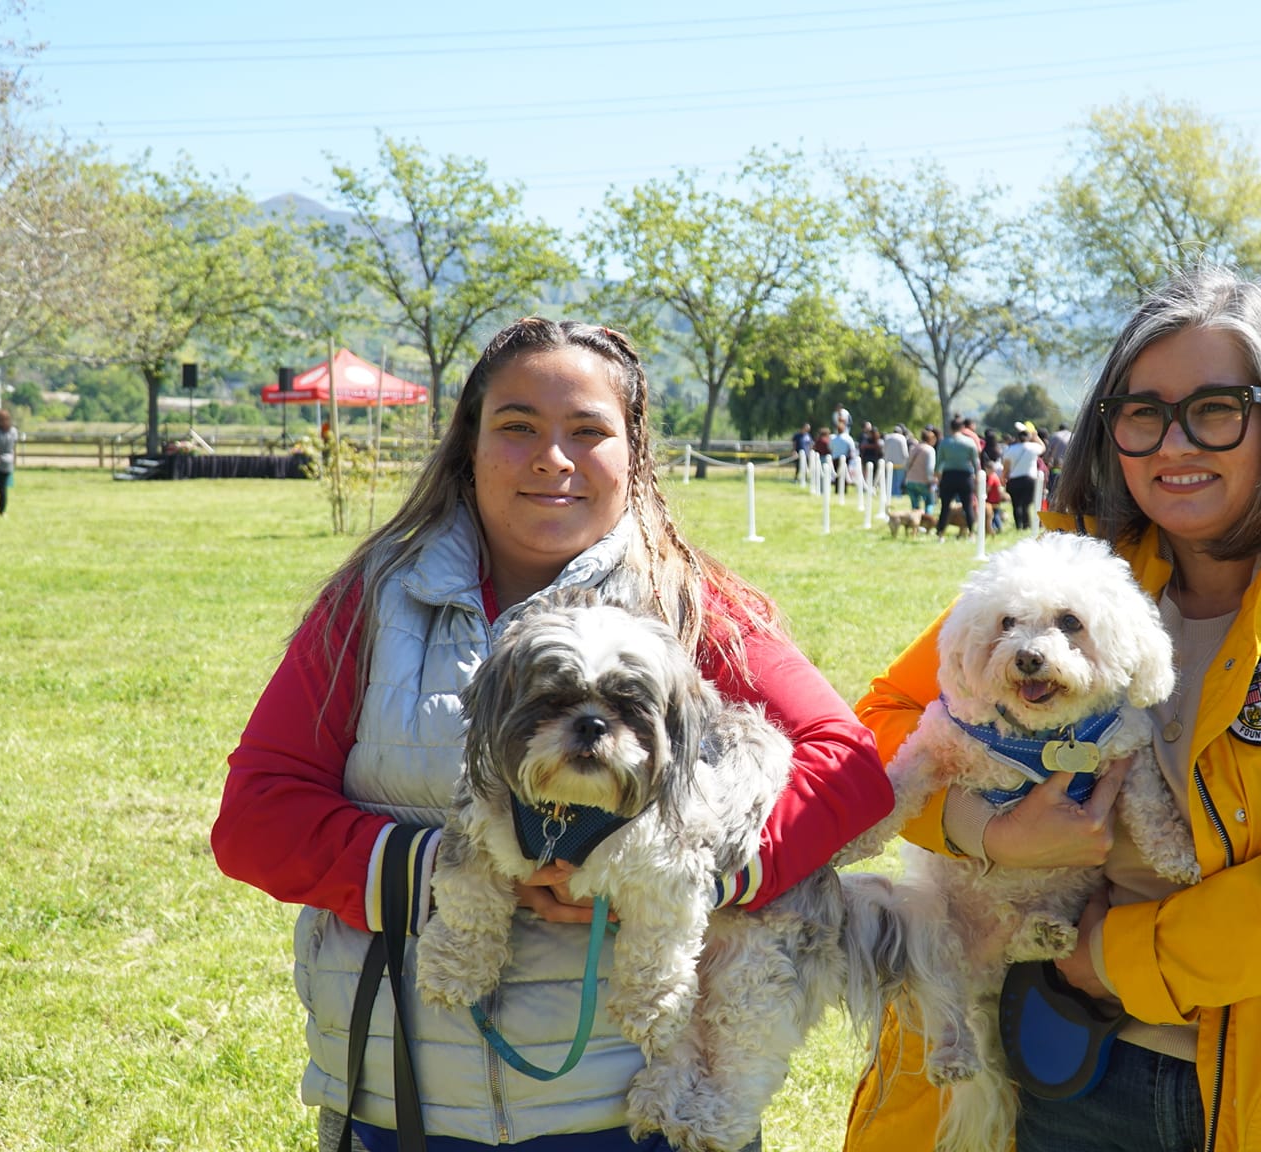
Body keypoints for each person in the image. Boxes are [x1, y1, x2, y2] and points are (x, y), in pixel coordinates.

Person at [211, 318, 893, 1152]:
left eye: (588, 431)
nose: (552, 458)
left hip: (633, 1107)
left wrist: (686, 878)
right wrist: (444, 872)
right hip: (408, 1103)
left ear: (634, 453)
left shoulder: (692, 603)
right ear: (469, 443)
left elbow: (851, 771)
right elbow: (255, 819)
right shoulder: (371, 600)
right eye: (518, 427)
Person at [846, 266, 1261, 1152]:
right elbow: (881, 724)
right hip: (1047, 1059)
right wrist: (983, 834)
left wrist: (1105, 958)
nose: (1173, 443)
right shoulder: (1082, 566)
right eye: (1142, 413)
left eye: (1216, 408)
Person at [932, 418, 979, 538]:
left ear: (951, 428)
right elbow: (975, 462)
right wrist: (977, 477)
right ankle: (971, 533)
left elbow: (938, 463)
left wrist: (937, 477)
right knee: (967, 506)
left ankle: (940, 533)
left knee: (945, 506)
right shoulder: (969, 442)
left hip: (949, 475)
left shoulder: (945, 442)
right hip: (965, 476)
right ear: (962, 428)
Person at [1000, 422, 1044, 530]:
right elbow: (1043, 447)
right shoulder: (1033, 447)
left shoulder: (1010, 449)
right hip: (1030, 479)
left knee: (1016, 505)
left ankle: (1018, 526)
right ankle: (1026, 525)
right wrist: (1035, 436)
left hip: (1014, 480)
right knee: (1026, 504)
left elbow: (1006, 467)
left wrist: (1003, 478)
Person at [903, 425, 938, 512]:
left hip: (910, 480)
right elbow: (930, 468)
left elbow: (907, 465)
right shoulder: (930, 450)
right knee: (929, 502)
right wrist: (931, 481)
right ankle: (926, 522)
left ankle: (915, 521)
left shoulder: (913, 448)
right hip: (924, 481)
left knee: (915, 506)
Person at [881, 425, 909, 498]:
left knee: (890, 480)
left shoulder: (887, 437)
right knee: (898, 481)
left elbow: (883, 450)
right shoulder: (902, 438)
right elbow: (905, 452)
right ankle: (897, 495)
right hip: (900, 463)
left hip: (888, 462)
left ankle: (890, 494)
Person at [829, 422, 857, 493]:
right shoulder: (848, 438)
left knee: (837, 475)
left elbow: (830, 448)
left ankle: (837, 490)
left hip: (835, 459)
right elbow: (852, 449)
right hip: (845, 459)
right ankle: (844, 490)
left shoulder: (833, 439)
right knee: (843, 475)